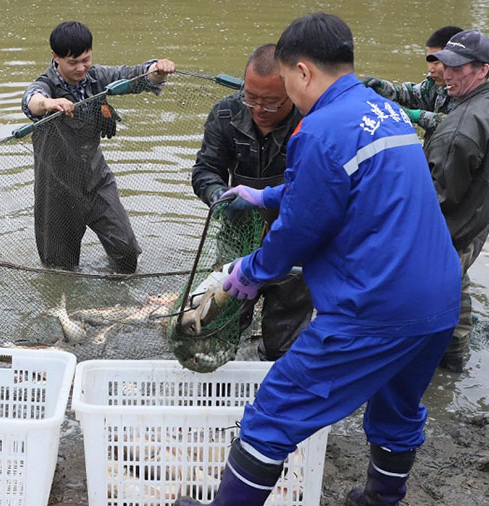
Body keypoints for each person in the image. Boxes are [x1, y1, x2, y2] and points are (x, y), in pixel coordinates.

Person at [174, 13, 460, 506]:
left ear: (302, 72)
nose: (285, 94)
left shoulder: (319, 128)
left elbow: (302, 230)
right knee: (397, 408)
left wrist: (251, 272)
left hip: (375, 308)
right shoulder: (384, 111)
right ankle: (380, 498)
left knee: (272, 415)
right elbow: (337, 186)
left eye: (285, 81)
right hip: (438, 300)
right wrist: (265, 197)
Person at [191, 43, 312, 360]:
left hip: (293, 240)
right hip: (237, 237)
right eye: (251, 98)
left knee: (284, 343)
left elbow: (316, 194)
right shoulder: (225, 113)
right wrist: (217, 195)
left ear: (291, 90)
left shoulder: (312, 122)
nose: (258, 109)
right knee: (219, 328)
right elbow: (204, 170)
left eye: (271, 103)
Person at [22, 21, 175, 273]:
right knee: (60, 269)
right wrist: (50, 104)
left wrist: (157, 70)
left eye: (86, 59)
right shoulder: (46, 85)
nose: (81, 67)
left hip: (96, 180)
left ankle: (118, 300)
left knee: (126, 253)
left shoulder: (97, 77)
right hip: (57, 190)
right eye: (73, 62)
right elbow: (31, 101)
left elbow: (134, 76)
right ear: (55, 57)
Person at [424, 29, 489, 373]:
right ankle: (453, 367)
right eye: (445, 64)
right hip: (475, 227)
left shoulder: (459, 128)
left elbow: (434, 203)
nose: (447, 74)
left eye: (458, 68)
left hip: (450, 233)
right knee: (456, 290)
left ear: (483, 70)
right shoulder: (479, 104)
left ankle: (438, 371)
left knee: (423, 307)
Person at [363, 25, 463, 142]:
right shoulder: (437, 84)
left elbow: (460, 125)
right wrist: (382, 87)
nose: (430, 69)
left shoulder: (479, 97)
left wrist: (416, 116)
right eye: (429, 62)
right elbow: (410, 95)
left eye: (436, 62)